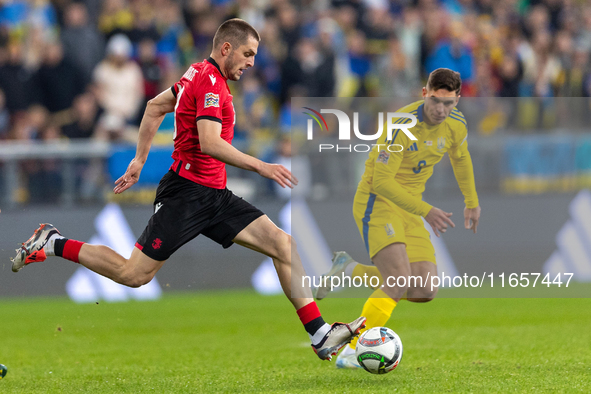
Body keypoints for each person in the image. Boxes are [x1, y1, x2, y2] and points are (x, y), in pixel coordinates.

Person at [11, 18, 365, 361]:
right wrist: (261, 165)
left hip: (214, 194)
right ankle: (53, 242)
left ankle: (319, 333)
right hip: (187, 193)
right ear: (226, 48)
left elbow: (154, 107)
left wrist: (139, 160)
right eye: (247, 54)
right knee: (134, 275)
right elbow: (210, 143)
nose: (252, 63)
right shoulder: (210, 82)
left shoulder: (196, 73)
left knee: (282, 244)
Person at [314, 68, 481, 368]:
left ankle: (350, 270)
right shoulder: (402, 124)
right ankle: (351, 350)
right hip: (377, 202)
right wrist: (426, 210)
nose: (441, 109)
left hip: (410, 206)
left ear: (458, 100)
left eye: (449, 103)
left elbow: (461, 157)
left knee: (424, 289)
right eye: (435, 101)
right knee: (398, 279)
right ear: (424, 93)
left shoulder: (456, 125)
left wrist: (472, 202)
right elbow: (381, 182)